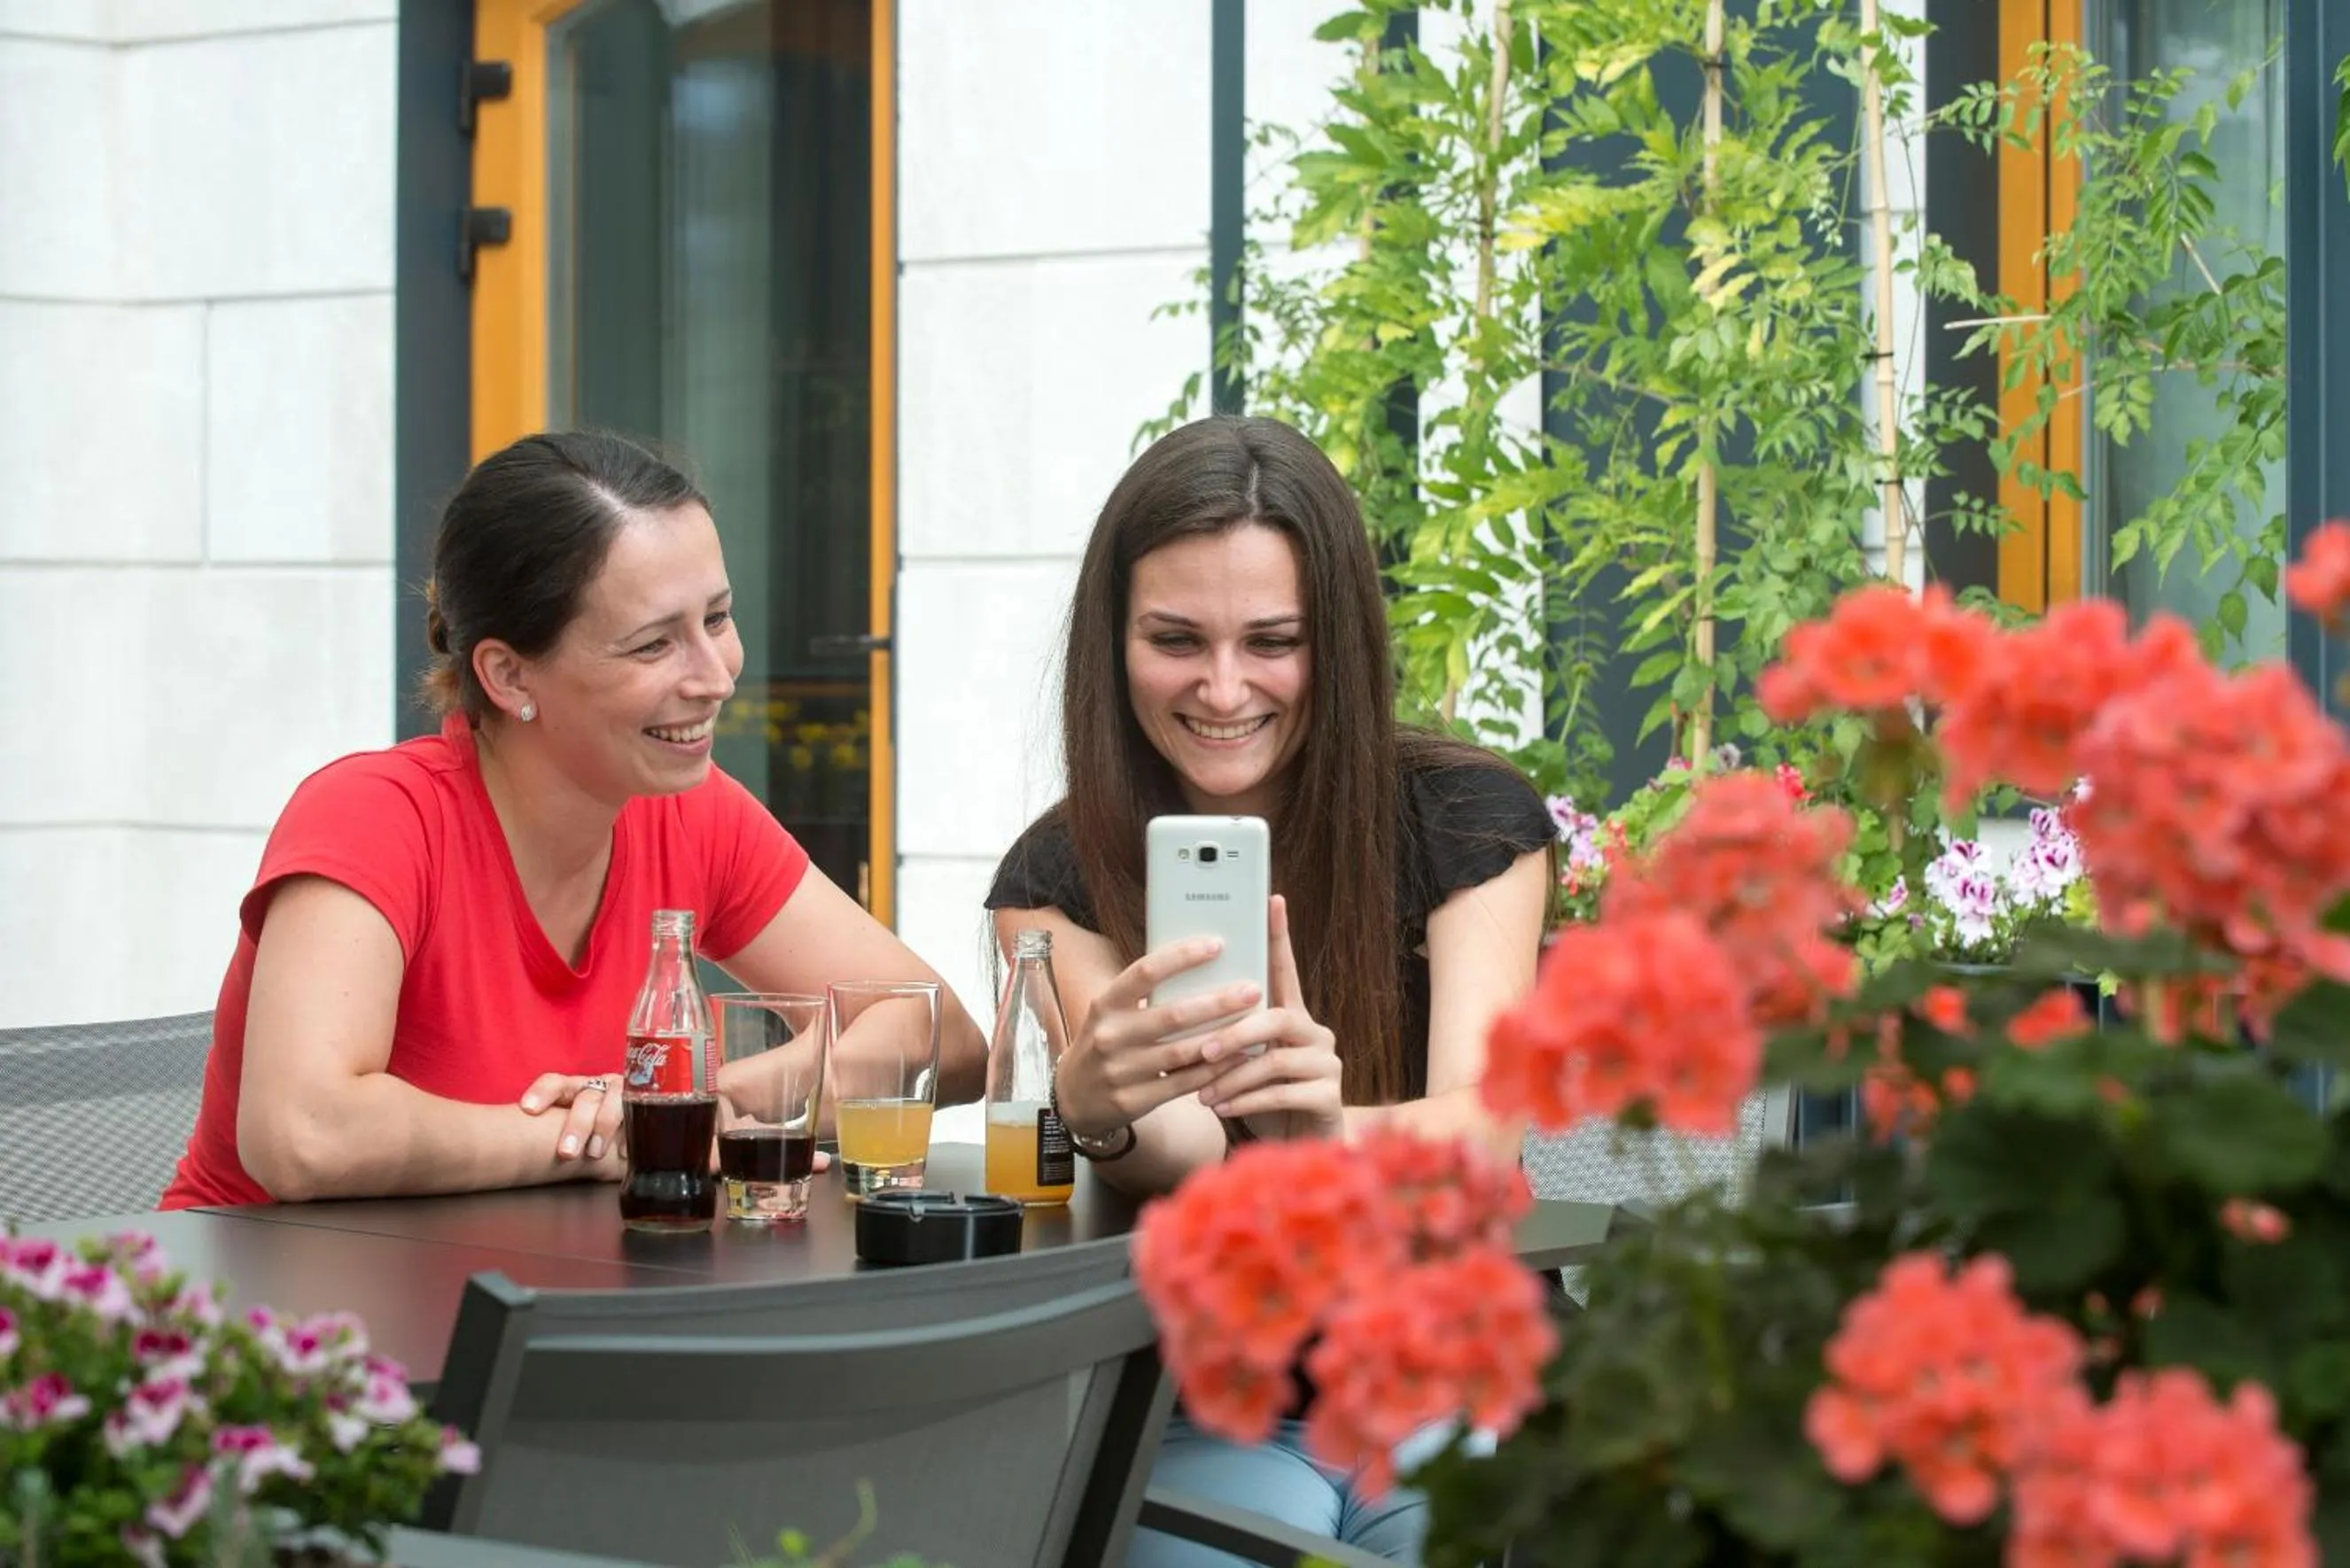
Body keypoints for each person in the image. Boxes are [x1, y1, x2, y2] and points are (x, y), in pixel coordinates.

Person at [985, 416, 1555, 1564]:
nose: (1223, 687)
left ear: (1335, 641)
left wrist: (1320, 1134)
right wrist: (1101, 1111)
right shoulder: (1056, 875)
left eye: (1274, 641)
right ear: (1114, 642)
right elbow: (1184, 1150)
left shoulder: (1470, 820)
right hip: (1210, 1394)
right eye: (1175, 639)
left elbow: (1483, 1132)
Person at [163, 431, 985, 1209]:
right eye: (654, 644)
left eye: (717, 619)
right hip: (275, 1302)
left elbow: (940, 1038)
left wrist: (689, 1104)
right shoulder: (376, 816)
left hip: (540, 1286)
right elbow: (303, 1135)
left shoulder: (692, 812)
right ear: (509, 674)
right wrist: (607, 1140)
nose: (716, 677)